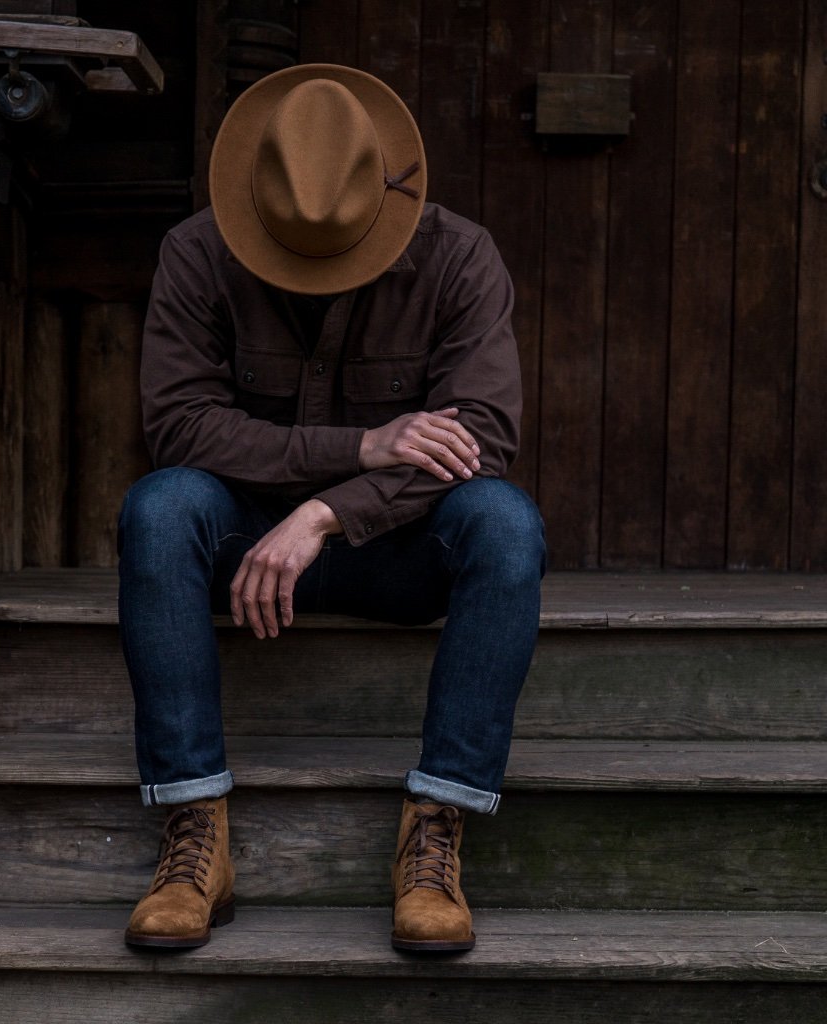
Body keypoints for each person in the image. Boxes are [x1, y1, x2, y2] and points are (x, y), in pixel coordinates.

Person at [118, 63, 545, 953]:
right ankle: (195, 831)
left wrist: (322, 514)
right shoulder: (196, 253)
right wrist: (359, 447)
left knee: (505, 521)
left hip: (397, 553)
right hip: (245, 559)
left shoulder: (460, 256)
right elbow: (180, 427)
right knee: (159, 508)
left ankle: (436, 830)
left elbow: (483, 441)